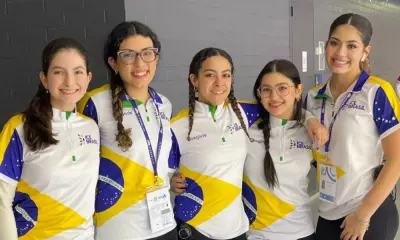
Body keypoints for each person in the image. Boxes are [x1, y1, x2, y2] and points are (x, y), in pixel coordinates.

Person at [170, 48, 328, 240]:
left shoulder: (242, 113)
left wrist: (310, 119)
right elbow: (161, 167)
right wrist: (171, 180)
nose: (219, 83)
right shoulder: (178, 125)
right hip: (206, 229)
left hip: (254, 230)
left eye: (226, 75)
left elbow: (282, 109)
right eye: (210, 75)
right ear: (194, 80)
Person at [78, 21, 177, 240]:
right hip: (119, 228)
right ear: (113, 62)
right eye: (128, 55)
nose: (140, 63)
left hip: (164, 223)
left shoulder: (164, 104)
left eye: (147, 53)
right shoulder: (94, 103)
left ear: (156, 58)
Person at [305, 13, 400, 240]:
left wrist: (362, 216)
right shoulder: (313, 95)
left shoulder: (377, 92)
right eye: (334, 43)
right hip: (327, 210)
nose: (340, 53)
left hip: (366, 211)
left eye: (352, 46)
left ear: (365, 51)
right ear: (326, 46)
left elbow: (396, 160)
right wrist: (308, 118)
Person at [0, 38, 99, 240]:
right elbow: (2, 202)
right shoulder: (20, 127)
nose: (70, 82)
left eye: (78, 72)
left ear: (88, 78)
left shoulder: (91, 127)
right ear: (44, 79)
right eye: (58, 72)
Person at [243, 59, 316, 240]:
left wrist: (309, 118)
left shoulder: (312, 132)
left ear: (298, 91)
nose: (274, 97)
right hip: (256, 234)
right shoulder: (245, 130)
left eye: (282, 88)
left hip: (301, 232)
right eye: (266, 89)